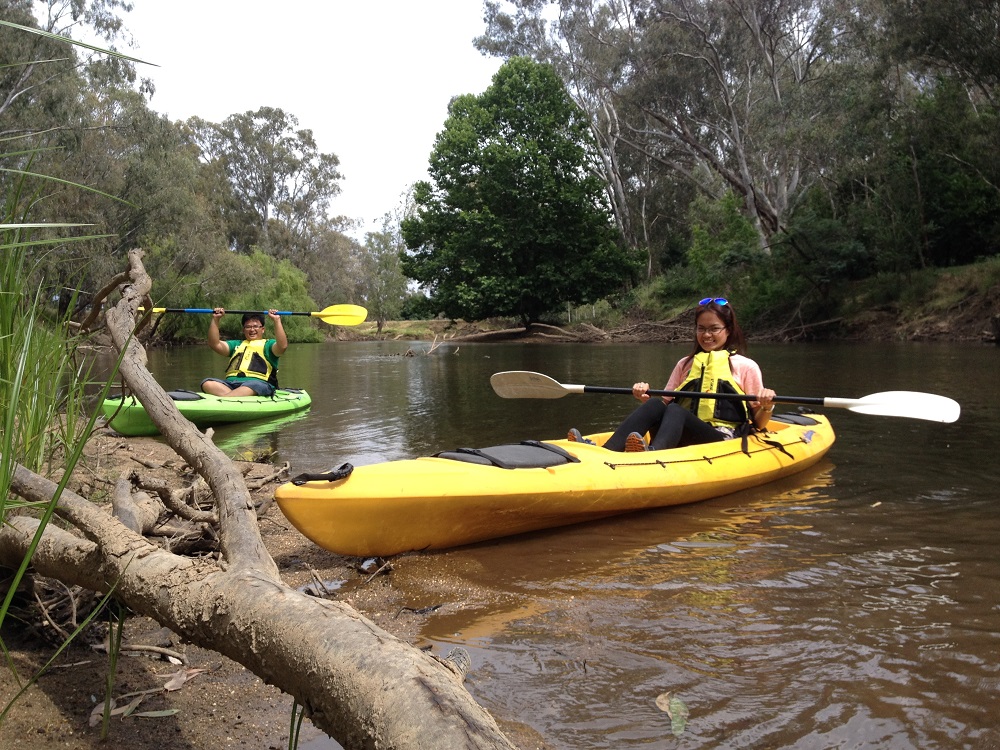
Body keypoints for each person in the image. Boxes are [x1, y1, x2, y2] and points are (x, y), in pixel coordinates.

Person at [571, 297, 776, 452]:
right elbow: (663, 405)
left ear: (728, 330)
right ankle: (607, 451)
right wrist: (643, 395)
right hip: (680, 435)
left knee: (677, 411)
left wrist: (767, 406)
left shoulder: (745, 366)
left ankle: (654, 455)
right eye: (701, 329)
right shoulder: (685, 364)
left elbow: (758, 423)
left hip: (720, 440)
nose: (706, 335)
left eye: (714, 329)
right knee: (655, 404)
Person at [200, 308, 288, 398]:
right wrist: (216, 319)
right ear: (243, 330)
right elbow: (214, 344)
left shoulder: (269, 345)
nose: (252, 329)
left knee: (250, 386)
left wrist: (276, 320)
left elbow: (282, 346)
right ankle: (233, 397)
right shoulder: (236, 345)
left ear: (262, 329)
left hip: (258, 384)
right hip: (230, 384)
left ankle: (226, 399)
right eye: (248, 327)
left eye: (255, 326)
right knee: (207, 383)